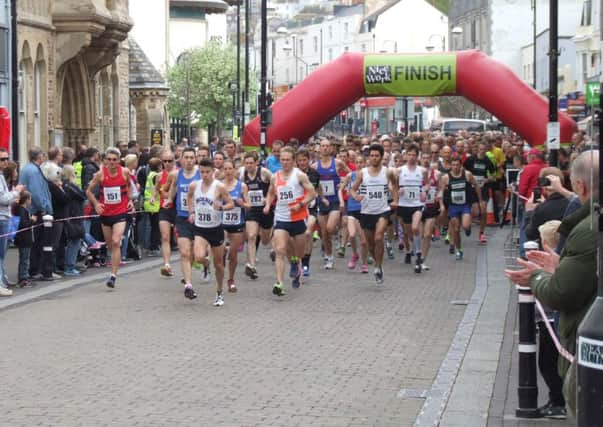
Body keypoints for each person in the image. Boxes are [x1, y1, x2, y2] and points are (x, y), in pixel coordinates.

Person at [505, 150, 598, 416]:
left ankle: (556, 403)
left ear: (579, 185)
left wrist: (536, 276)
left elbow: (561, 293)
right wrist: (559, 266)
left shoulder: (587, 229)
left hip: (586, 338)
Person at [263, 146, 316, 296]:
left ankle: (296, 263)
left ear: (293, 161)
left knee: (299, 251)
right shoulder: (275, 177)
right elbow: (271, 193)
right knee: (280, 249)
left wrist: (300, 204)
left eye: (288, 160)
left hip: (298, 218)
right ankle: (279, 283)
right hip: (281, 217)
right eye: (282, 160)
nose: (285, 162)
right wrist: (267, 204)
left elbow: (312, 193)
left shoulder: (299, 176)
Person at [187, 159, 235, 305]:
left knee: (219, 264)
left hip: (215, 228)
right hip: (200, 228)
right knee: (199, 256)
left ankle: (219, 293)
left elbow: (231, 204)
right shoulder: (194, 185)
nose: (205, 175)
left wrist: (221, 207)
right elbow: (189, 197)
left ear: (213, 171)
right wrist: (192, 212)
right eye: (202, 172)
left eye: (207, 172)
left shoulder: (219, 187)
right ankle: (205, 265)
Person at [350, 144, 398, 284]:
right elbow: (353, 189)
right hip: (366, 212)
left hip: (383, 211)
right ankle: (378, 262)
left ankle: (377, 267)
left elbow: (395, 186)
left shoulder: (388, 172)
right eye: (372, 156)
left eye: (377, 156)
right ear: (368, 157)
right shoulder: (362, 173)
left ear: (382, 157)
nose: (374, 158)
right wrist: (356, 196)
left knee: (378, 237)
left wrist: (395, 200)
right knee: (370, 245)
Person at [86, 147, 133, 289]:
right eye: (109, 160)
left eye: (114, 160)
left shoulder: (124, 172)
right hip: (106, 213)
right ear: (105, 160)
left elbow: (129, 186)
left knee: (116, 240)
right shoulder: (100, 174)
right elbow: (88, 191)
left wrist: (130, 200)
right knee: (111, 245)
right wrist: (96, 204)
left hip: (120, 212)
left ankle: (113, 275)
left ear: (119, 161)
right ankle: (113, 263)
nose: (112, 162)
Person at [165, 147, 201, 295]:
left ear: (195, 159)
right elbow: (173, 188)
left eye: (192, 157)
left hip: (199, 218)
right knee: (184, 252)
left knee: (195, 252)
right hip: (182, 217)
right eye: (186, 157)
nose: (189, 160)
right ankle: (188, 285)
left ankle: (192, 272)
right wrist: (169, 199)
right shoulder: (176, 174)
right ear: (181, 159)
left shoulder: (201, 174)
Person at [18, 147, 53, 281]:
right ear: (39, 156)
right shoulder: (33, 171)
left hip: (34, 209)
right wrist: (44, 208)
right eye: (43, 154)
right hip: (36, 211)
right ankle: (33, 270)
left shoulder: (32, 169)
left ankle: (33, 269)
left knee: (36, 242)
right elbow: (37, 192)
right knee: (37, 241)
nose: (44, 157)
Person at [314, 138, 348, 269]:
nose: (325, 148)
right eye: (323, 146)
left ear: (331, 148)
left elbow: (351, 174)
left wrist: (343, 182)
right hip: (322, 202)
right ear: (319, 149)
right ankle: (329, 256)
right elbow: (312, 183)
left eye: (327, 146)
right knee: (324, 233)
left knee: (329, 228)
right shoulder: (315, 166)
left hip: (334, 201)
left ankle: (337, 234)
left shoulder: (338, 163)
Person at [440, 155, 481, 260]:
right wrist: (441, 204)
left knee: (466, 225)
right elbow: (440, 192)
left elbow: (476, 185)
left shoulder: (467, 175)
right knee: (456, 229)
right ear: (450, 166)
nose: (455, 167)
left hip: (465, 205)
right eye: (453, 165)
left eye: (457, 165)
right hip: (453, 206)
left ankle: (468, 228)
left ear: (461, 166)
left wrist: (479, 201)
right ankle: (459, 250)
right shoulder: (446, 178)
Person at [240, 151, 273, 279]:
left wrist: (268, 199)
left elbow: (276, 184)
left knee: (264, 240)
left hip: (265, 209)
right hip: (252, 209)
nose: (249, 165)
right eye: (246, 163)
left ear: (256, 163)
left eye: (251, 163)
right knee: (252, 236)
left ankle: (272, 238)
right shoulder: (242, 174)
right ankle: (251, 265)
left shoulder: (264, 173)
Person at [395, 144, 428, 273]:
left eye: (414, 155)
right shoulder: (399, 170)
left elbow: (428, 184)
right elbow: (392, 185)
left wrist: (424, 191)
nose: (412, 157)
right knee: (408, 234)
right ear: (406, 156)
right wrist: (398, 190)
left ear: (417, 156)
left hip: (417, 204)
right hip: (404, 205)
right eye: (409, 155)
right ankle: (410, 251)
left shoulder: (422, 170)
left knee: (415, 228)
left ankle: (418, 255)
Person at [221, 159, 249, 293]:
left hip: (237, 223)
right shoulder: (219, 186)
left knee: (233, 254)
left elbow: (249, 205)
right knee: (221, 249)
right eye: (225, 169)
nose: (227, 171)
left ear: (234, 170)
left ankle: (231, 279)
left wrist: (242, 204)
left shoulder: (242, 186)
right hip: (222, 223)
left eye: (229, 169)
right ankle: (223, 249)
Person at [0, 152, 24, 295]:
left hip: (4, 217)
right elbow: (3, 199)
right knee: (1, 254)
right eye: (2, 159)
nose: (6, 162)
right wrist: (16, 192)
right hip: (2, 218)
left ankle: (2, 281)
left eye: (7, 159)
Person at [340, 155, 368, 273]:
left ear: (365, 163)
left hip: (365, 210)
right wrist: (342, 201)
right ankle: (355, 254)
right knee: (351, 235)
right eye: (357, 162)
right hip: (352, 209)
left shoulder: (368, 176)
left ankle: (364, 263)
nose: (359, 164)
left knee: (363, 241)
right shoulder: (350, 176)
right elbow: (340, 190)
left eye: (361, 162)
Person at [463, 141, 496, 243]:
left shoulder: (487, 161)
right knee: (476, 212)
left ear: (486, 150)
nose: (482, 151)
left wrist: (487, 179)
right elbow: (463, 170)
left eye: (484, 150)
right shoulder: (471, 159)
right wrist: (468, 178)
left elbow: (493, 175)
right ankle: (467, 224)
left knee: (483, 211)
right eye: (480, 149)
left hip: (483, 188)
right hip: (472, 189)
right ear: (477, 149)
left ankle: (481, 233)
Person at [296, 148, 320, 277]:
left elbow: (317, 189)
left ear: (308, 160)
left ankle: (306, 263)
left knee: (308, 232)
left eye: (304, 160)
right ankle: (297, 260)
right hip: (297, 208)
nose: (302, 162)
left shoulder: (315, 173)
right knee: (298, 237)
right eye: (299, 160)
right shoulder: (294, 174)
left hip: (311, 208)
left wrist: (323, 198)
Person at [156, 149, 177, 277]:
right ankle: (167, 264)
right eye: (165, 161)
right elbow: (157, 190)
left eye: (170, 161)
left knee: (181, 240)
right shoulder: (159, 176)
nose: (167, 163)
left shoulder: (179, 174)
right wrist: (156, 196)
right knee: (165, 237)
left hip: (178, 209)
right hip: (164, 208)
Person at [62, 165, 87, 276]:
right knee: (74, 241)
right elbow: (82, 195)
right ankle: (69, 266)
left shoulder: (66, 185)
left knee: (75, 240)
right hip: (74, 215)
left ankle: (70, 264)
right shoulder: (69, 185)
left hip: (74, 214)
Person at [14, 192, 34, 288]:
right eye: (30, 199)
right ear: (26, 200)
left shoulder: (23, 210)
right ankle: (23, 278)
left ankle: (25, 276)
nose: (31, 201)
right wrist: (32, 220)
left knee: (26, 258)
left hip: (25, 238)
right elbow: (23, 224)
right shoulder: (22, 210)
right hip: (24, 238)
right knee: (24, 259)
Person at [142, 157, 161, 255]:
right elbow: (158, 189)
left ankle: (152, 246)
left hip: (149, 203)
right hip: (154, 204)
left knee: (153, 226)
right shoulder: (156, 176)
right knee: (155, 227)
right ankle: (154, 247)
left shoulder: (150, 174)